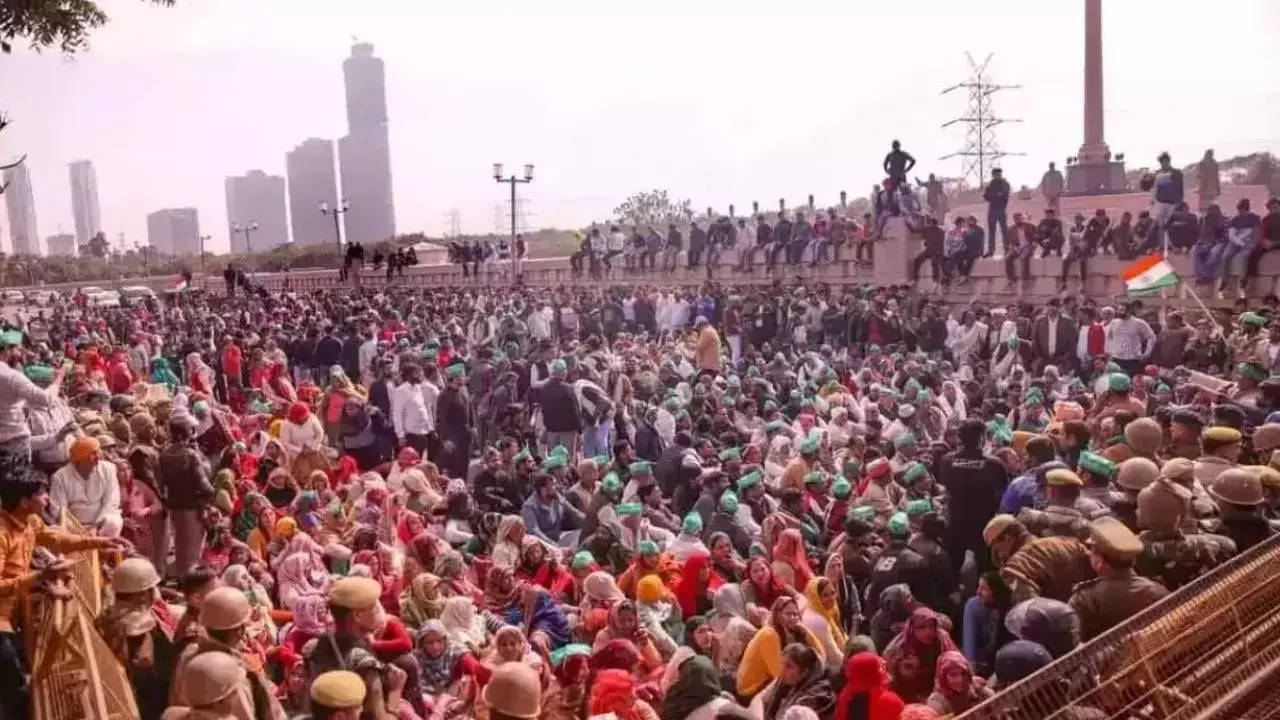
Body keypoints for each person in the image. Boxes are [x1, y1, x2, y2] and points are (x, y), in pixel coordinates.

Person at [983, 168, 1011, 256]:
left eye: (998, 174)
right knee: (992, 231)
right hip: (993, 209)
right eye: (995, 174)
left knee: (1005, 231)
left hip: (1001, 209)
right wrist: (994, 195)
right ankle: (991, 251)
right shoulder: (990, 184)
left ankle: (1007, 249)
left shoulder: (1005, 184)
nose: (997, 176)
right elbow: (987, 196)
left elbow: (1005, 195)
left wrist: (995, 195)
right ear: (993, 175)